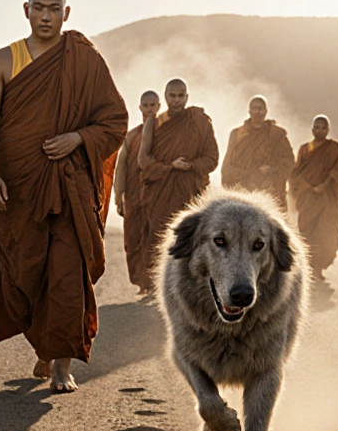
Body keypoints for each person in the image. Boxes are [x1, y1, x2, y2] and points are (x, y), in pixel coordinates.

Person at [0, 0, 128, 392]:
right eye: (39, 8)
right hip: (18, 189)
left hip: (69, 188)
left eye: (54, 8)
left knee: (67, 274)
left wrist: (78, 139)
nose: (46, 15)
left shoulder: (84, 61)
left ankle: (62, 365)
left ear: (66, 13)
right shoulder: (5, 60)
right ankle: (44, 344)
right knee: (25, 278)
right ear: (26, 10)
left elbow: (114, 121)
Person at [137, 78, 218, 277]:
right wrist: (168, 167)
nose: (176, 100)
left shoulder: (199, 122)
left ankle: (190, 280)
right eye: (172, 96)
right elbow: (143, 161)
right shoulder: (154, 123)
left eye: (180, 96)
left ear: (187, 97)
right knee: (160, 237)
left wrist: (191, 165)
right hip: (161, 192)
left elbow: (212, 158)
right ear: (165, 97)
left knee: (192, 237)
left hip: (191, 192)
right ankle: (163, 282)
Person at [288, 115, 338, 281]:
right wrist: (307, 187)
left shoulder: (335, 150)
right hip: (308, 199)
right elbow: (295, 173)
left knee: (327, 234)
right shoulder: (304, 149)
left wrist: (327, 182)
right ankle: (308, 267)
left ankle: (318, 268)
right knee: (306, 233)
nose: (320, 131)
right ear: (312, 130)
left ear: (328, 130)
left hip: (327, 199)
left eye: (323, 128)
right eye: (316, 128)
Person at [113, 90, 161, 295]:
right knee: (133, 240)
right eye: (145, 105)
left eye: (153, 105)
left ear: (159, 107)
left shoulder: (165, 132)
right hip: (133, 195)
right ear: (140, 108)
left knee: (154, 238)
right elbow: (121, 165)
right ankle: (142, 282)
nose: (149, 109)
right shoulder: (132, 135)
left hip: (157, 195)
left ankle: (154, 283)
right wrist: (119, 195)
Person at [220, 95, 294, 210]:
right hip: (242, 189)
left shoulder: (277, 135)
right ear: (249, 111)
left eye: (260, 108)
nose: (257, 111)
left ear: (266, 111)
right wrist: (245, 175)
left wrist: (272, 170)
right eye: (254, 108)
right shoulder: (237, 134)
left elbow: (288, 161)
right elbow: (227, 166)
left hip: (269, 190)